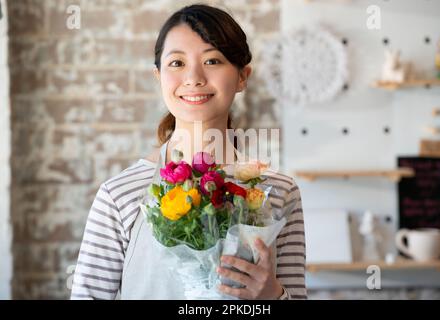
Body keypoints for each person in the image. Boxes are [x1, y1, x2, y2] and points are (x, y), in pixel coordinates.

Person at [70, 4, 306, 300]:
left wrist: (273, 295)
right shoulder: (119, 195)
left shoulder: (280, 191)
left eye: (212, 61)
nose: (194, 78)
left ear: (242, 76)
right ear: (158, 75)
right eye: (177, 63)